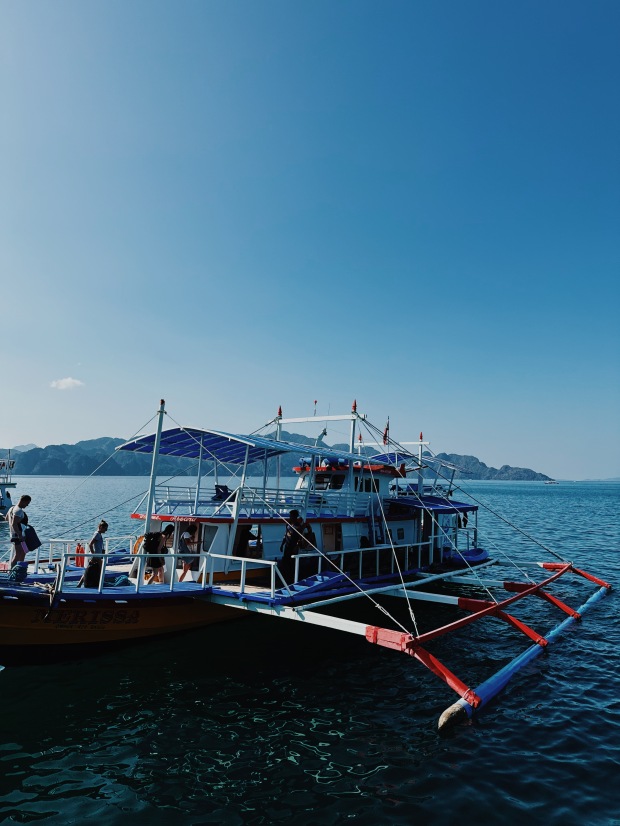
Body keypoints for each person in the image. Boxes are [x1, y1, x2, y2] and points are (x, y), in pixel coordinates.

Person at [79, 520, 109, 588]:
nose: (106, 530)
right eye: (105, 528)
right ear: (100, 527)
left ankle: (80, 584)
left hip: (98, 555)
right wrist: (94, 554)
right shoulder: (97, 534)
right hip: (96, 556)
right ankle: (101, 583)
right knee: (101, 569)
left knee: (88, 569)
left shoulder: (98, 534)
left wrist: (102, 551)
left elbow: (97, 545)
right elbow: (90, 544)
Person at [6, 494, 32, 570]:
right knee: (18, 554)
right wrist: (19, 535)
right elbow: (14, 523)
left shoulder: (11, 508)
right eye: (27, 503)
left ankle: (19, 568)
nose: (27, 505)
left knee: (23, 551)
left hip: (14, 534)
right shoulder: (19, 511)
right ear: (23, 501)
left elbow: (6, 518)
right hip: (17, 536)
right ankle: (12, 570)